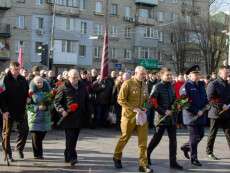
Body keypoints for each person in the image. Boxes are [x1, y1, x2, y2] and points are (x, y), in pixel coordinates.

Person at [113, 66, 153, 173]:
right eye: (142, 74)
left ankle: (143, 164)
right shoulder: (127, 83)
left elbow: (147, 99)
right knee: (124, 137)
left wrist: (146, 106)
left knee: (143, 141)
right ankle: (117, 156)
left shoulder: (145, 85)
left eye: (145, 74)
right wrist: (133, 108)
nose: (144, 76)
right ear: (135, 73)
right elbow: (120, 100)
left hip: (141, 116)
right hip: (128, 116)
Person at [147, 68, 183, 170]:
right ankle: (147, 154)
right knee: (156, 139)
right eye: (167, 75)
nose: (169, 77)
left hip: (172, 118)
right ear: (161, 75)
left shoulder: (171, 87)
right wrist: (163, 111)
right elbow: (151, 101)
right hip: (161, 118)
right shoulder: (157, 86)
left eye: (170, 75)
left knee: (173, 141)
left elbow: (174, 100)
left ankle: (173, 162)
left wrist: (178, 105)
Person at [54, 69, 90, 166]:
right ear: (68, 77)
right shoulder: (63, 87)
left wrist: (89, 113)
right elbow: (56, 101)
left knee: (74, 139)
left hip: (79, 117)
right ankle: (73, 157)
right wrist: (62, 110)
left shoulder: (83, 86)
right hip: (68, 117)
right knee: (70, 138)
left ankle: (67, 155)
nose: (75, 79)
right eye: (73, 77)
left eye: (77, 77)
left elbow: (87, 100)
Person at [180, 65, 208, 166]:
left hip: (201, 115)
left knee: (200, 135)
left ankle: (186, 147)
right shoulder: (185, 87)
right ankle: (194, 158)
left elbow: (205, 97)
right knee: (194, 137)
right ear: (189, 76)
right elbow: (184, 103)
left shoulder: (201, 85)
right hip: (191, 116)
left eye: (198, 73)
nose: (197, 75)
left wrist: (206, 105)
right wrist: (196, 111)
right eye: (195, 74)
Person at [1, 61, 29, 161]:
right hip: (8, 110)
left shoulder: (22, 79)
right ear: (11, 68)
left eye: (18, 69)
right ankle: (8, 153)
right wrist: (4, 110)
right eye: (15, 69)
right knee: (7, 133)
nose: (17, 71)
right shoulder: (4, 79)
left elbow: (26, 92)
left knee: (25, 130)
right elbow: (1, 97)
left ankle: (19, 148)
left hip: (21, 110)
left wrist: (28, 99)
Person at [206, 66, 230, 160]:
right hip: (216, 113)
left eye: (228, 72)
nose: (228, 74)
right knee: (213, 133)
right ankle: (209, 152)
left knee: (229, 133)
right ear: (220, 73)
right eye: (226, 72)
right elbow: (210, 99)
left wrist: (228, 105)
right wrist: (221, 105)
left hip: (227, 112)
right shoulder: (213, 84)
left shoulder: (228, 84)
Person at [27, 76, 51, 159]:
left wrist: (47, 107)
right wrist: (37, 108)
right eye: (38, 82)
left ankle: (38, 154)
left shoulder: (47, 91)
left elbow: (52, 103)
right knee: (35, 137)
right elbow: (27, 106)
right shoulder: (30, 92)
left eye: (41, 82)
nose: (40, 84)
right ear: (34, 83)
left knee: (41, 136)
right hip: (34, 118)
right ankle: (38, 155)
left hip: (44, 117)